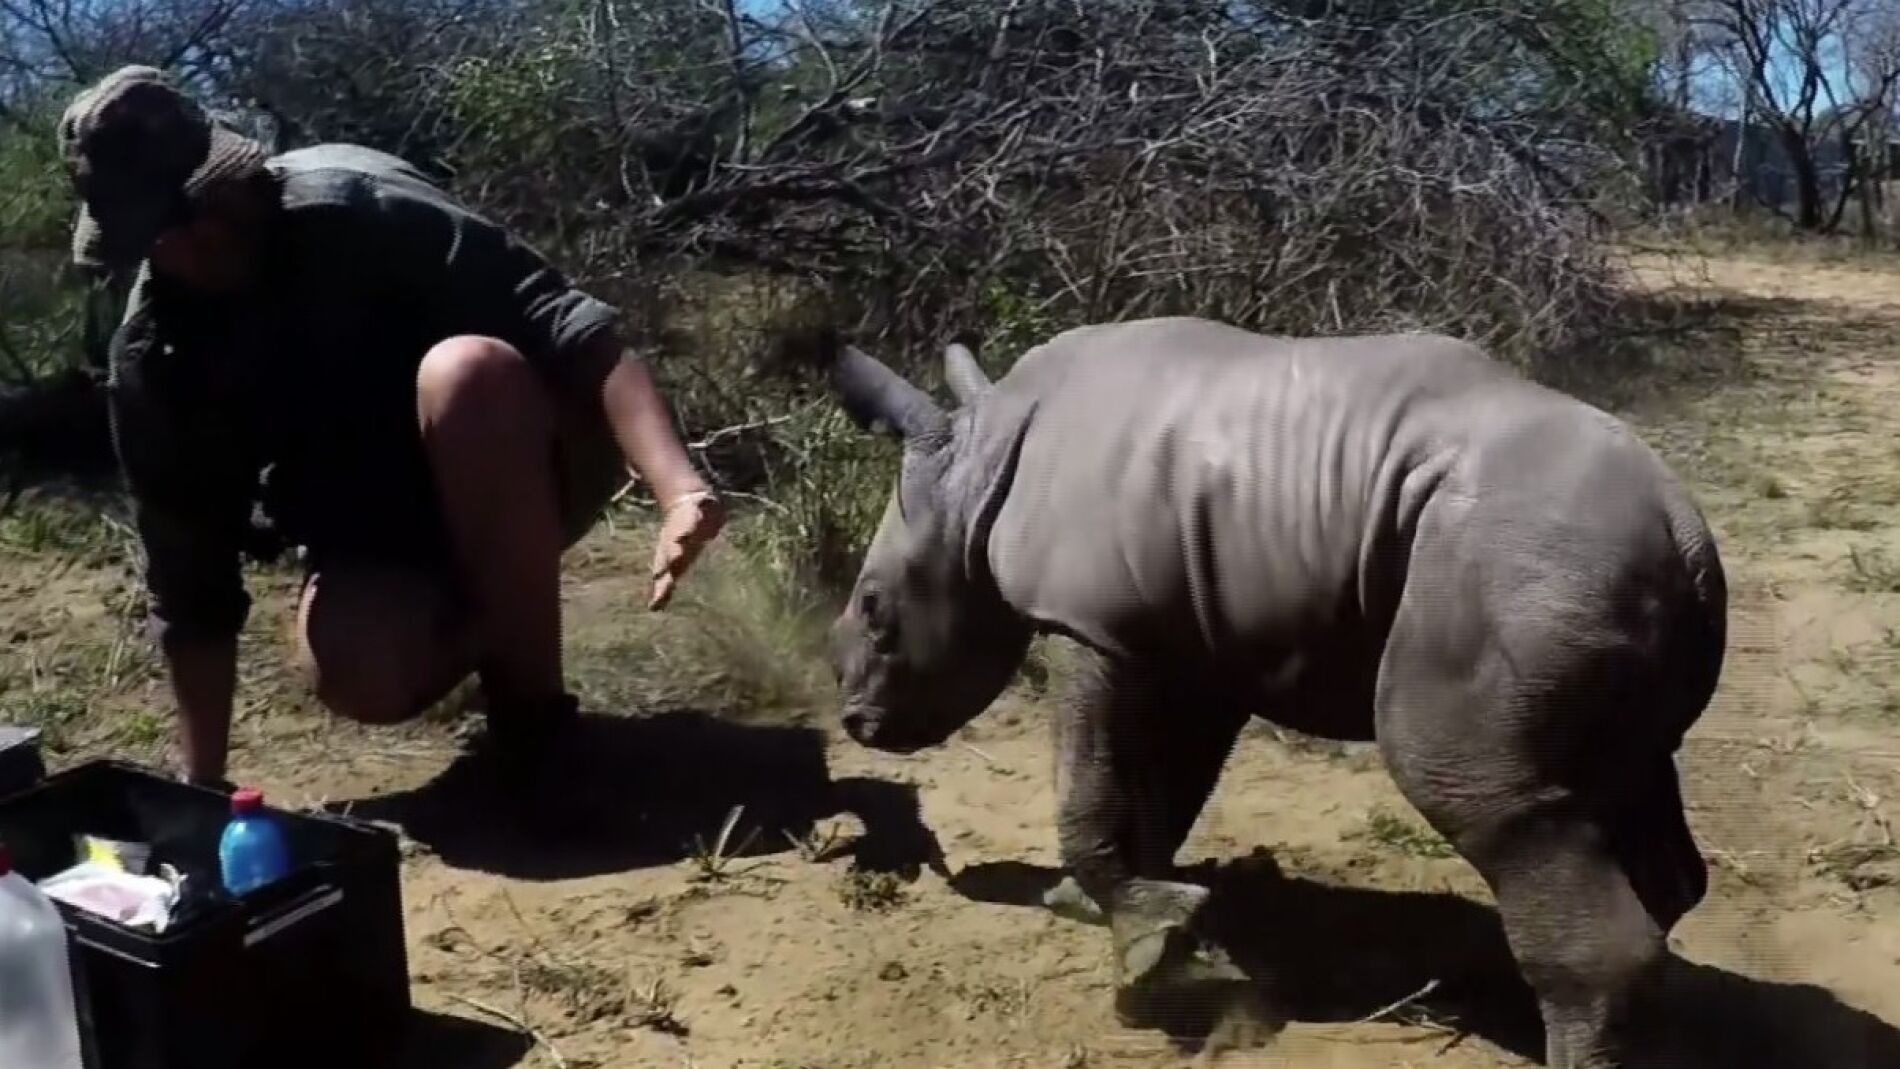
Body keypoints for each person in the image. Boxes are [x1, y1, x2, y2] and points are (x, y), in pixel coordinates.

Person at [57, 65, 727, 790]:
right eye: (163, 232)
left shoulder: (361, 211)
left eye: (202, 209)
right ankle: (509, 609)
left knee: (466, 372)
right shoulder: (156, 355)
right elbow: (190, 585)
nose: (194, 244)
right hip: (384, 525)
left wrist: (678, 488)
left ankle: (533, 721)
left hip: (527, 452)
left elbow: (569, 324)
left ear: (234, 174)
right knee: (359, 669)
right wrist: (203, 791)